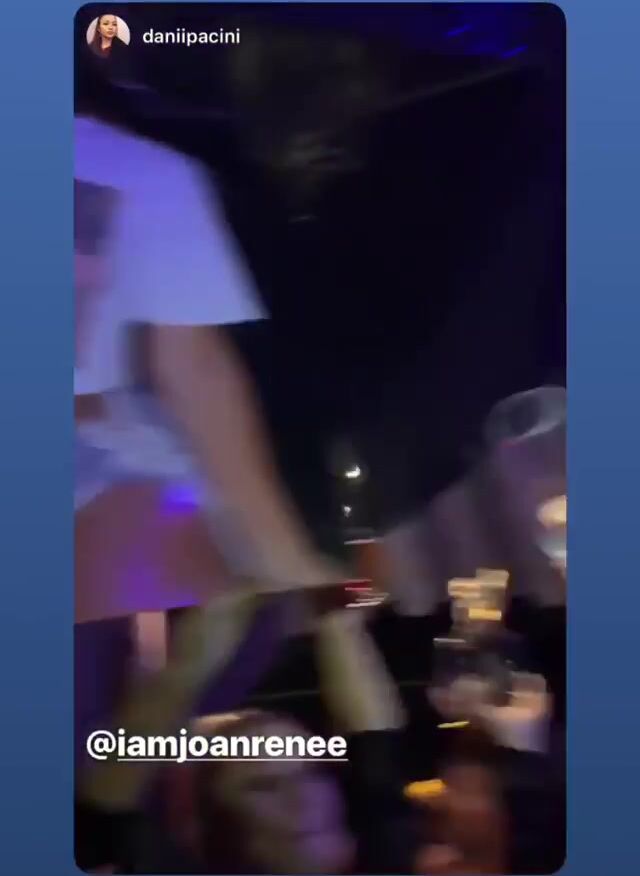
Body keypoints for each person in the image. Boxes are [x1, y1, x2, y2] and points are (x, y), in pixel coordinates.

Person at [74, 91, 343, 614]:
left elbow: (194, 370)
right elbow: (195, 370)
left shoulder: (138, 171)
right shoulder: (137, 169)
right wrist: (285, 558)